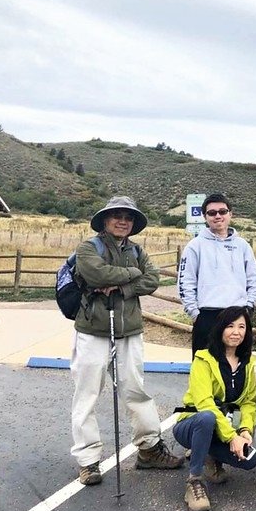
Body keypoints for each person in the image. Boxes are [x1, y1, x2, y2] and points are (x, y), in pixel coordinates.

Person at [71, 196, 183, 486]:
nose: (123, 220)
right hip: (92, 329)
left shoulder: (137, 250)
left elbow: (153, 279)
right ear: (105, 220)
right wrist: (133, 275)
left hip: (129, 331)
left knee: (136, 390)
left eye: (128, 217)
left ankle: (149, 449)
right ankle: (88, 460)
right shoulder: (88, 248)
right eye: (117, 215)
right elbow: (95, 273)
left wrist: (121, 285)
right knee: (87, 394)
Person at [173, 306, 256, 511]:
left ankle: (210, 455)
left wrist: (245, 430)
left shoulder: (247, 364)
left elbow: (249, 402)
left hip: (220, 428)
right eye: (230, 326)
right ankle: (194, 482)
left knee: (251, 460)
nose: (236, 332)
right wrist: (232, 438)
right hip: (191, 424)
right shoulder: (203, 360)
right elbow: (205, 404)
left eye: (241, 326)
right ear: (220, 328)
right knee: (207, 417)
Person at [178, 193, 256, 358]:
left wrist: (249, 307)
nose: (218, 216)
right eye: (212, 212)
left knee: (238, 365)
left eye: (222, 211)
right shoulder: (195, 246)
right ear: (204, 216)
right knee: (204, 368)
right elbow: (185, 282)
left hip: (237, 314)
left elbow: (254, 279)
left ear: (230, 213)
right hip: (207, 315)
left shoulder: (242, 246)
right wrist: (195, 314)